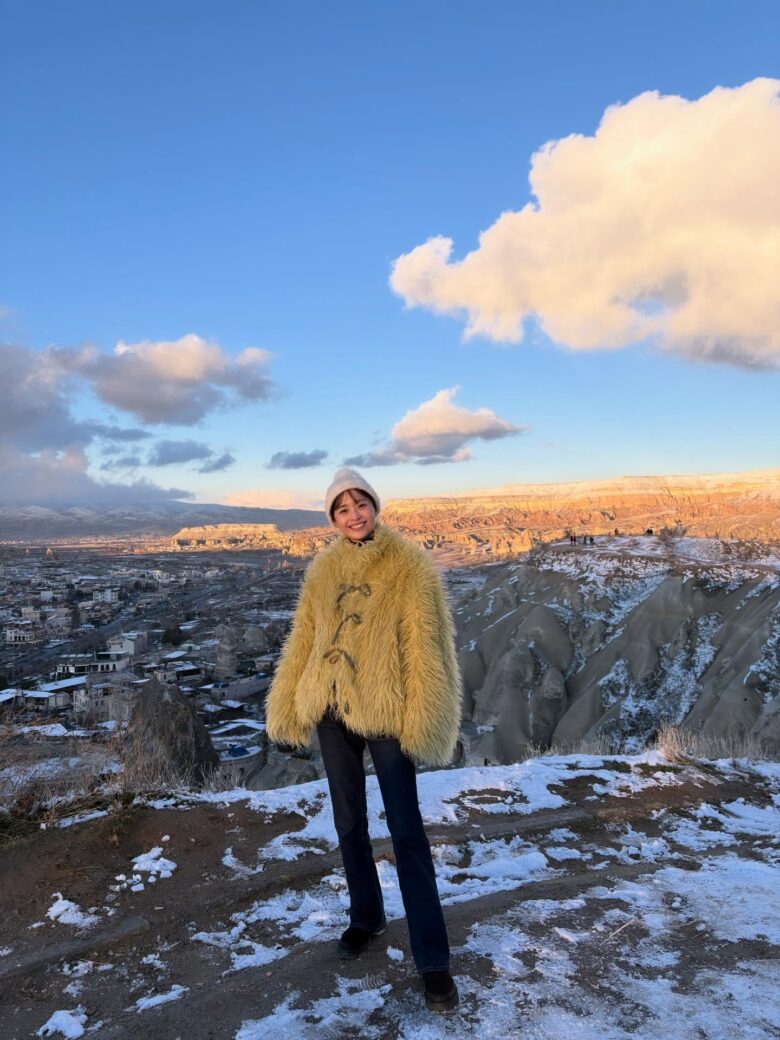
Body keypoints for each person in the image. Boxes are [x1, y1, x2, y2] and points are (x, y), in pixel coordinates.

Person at [265, 467, 462, 1013]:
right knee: (348, 821)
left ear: (376, 506)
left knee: (407, 830)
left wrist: (423, 716)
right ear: (332, 517)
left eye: (361, 504)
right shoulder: (323, 570)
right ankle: (366, 916)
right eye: (343, 508)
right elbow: (304, 638)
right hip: (331, 709)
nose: (354, 515)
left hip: (385, 708)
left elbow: (424, 644)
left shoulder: (408, 565)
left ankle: (433, 960)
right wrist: (288, 703)